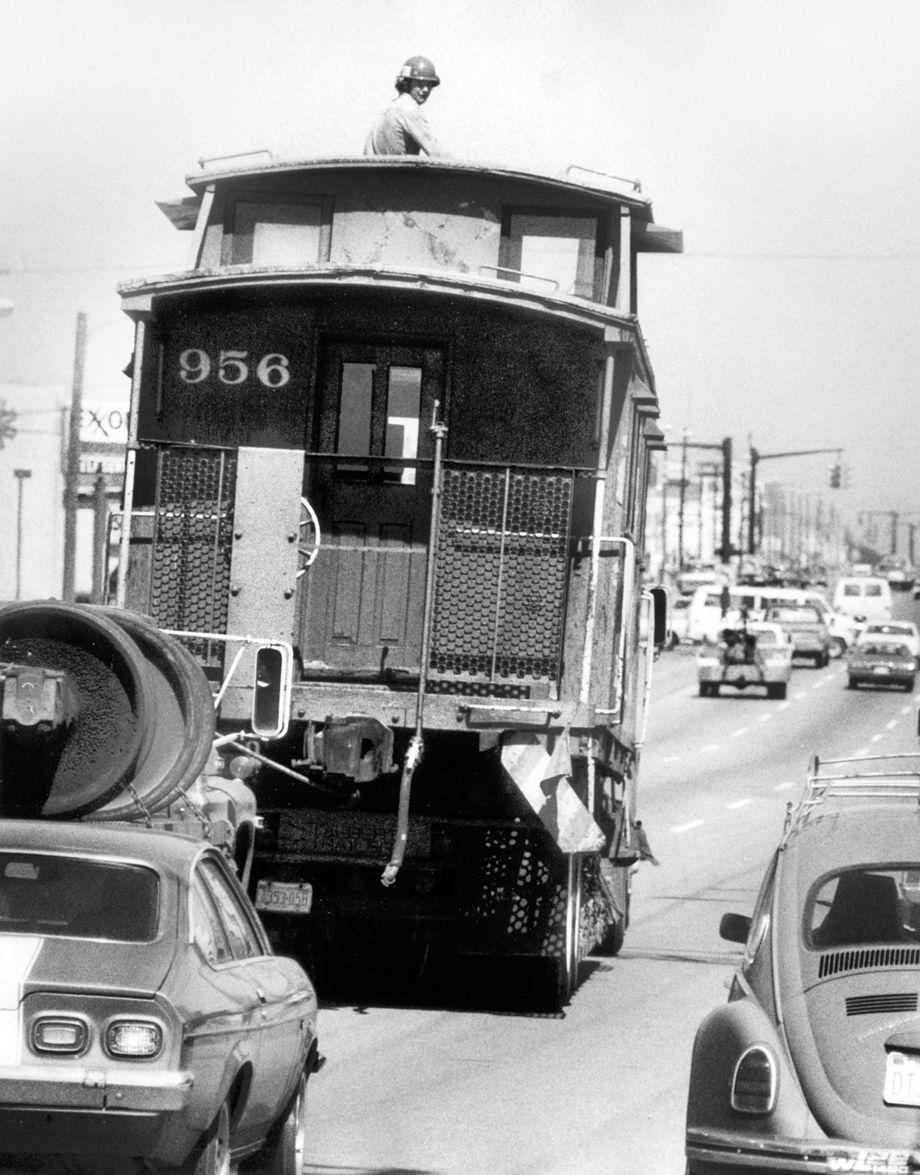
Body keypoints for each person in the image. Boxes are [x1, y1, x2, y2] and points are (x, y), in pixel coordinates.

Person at [364, 55, 447, 157]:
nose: (425, 89)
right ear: (407, 84)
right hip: (400, 172)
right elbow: (436, 151)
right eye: (420, 83)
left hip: (377, 172)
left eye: (429, 84)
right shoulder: (408, 108)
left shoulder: (387, 110)